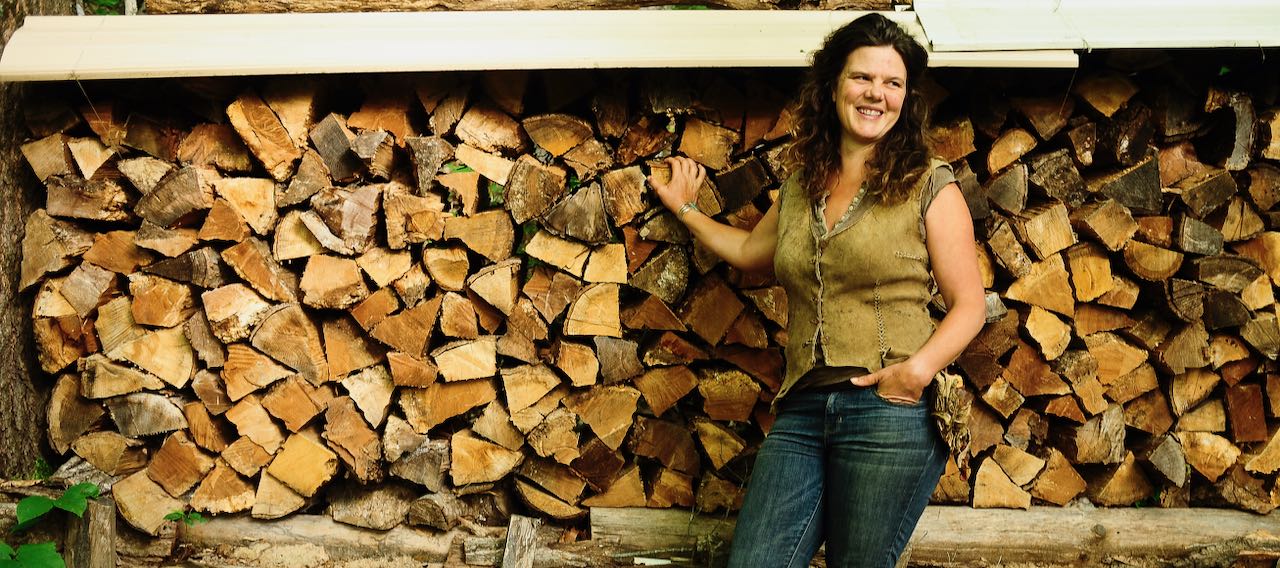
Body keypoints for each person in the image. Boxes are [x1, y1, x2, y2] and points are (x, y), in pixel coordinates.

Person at [648, 13, 986, 568]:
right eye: (862, 78)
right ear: (834, 86)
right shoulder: (804, 182)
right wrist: (684, 207)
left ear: (907, 98)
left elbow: (969, 304)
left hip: (888, 411)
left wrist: (915, 373)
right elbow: (751, 253)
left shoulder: (930, 183)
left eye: (892, 82)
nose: (876, 93)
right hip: (802, 408)